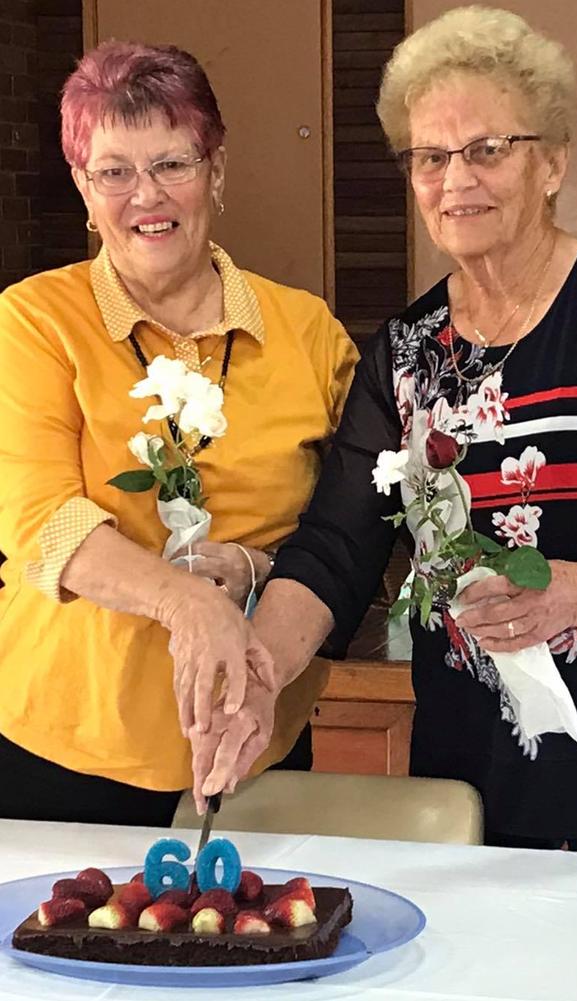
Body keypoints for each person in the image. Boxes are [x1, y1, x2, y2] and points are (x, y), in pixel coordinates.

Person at [192, 6, 577, 853]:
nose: (454, 179)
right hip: (469, 768)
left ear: (552, 162)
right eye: (430, 156)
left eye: (486, 150)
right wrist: (258, 674)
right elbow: (335, 548)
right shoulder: (405, 353)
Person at [0, 41, 357, 826]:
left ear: (217, 173)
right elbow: (40, 522)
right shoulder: (32, 321)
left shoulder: (309, 333)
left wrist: (254, 569)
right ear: (82, 191)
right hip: (59, 750)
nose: (145, 195)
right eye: (114, 171)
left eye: (173, 164)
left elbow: (357, 534)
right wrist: (188, 607)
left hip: (256, 745)